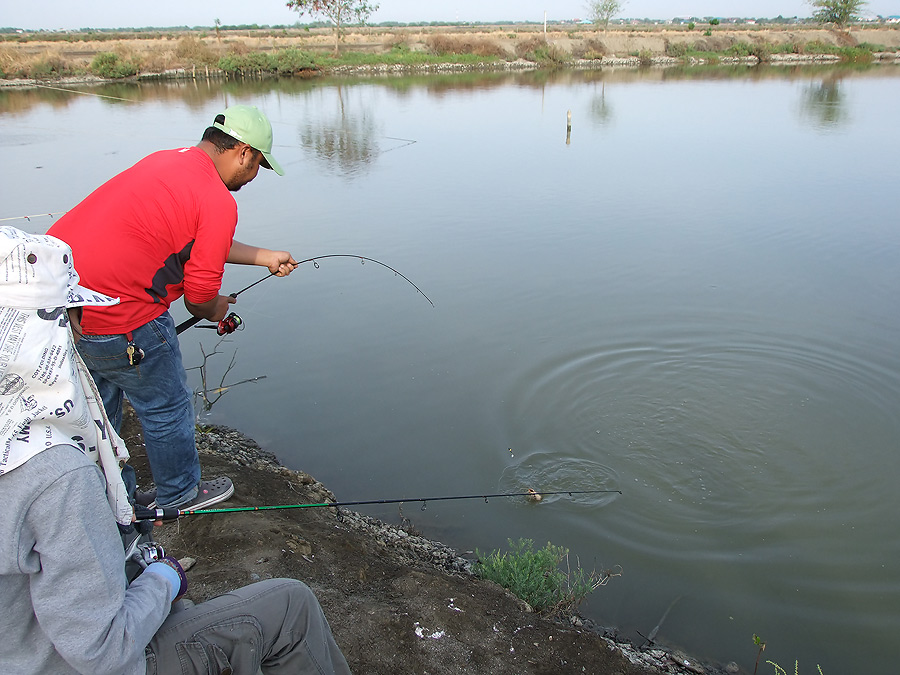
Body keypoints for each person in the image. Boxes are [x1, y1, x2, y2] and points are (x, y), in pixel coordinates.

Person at [0, 227, 351, 675]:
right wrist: (165, 578)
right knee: (291, 605)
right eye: (73, 315)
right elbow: (102, 651)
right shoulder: (57, 474)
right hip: (74, 663)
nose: (83, 326)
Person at [48, 104, 298, 510]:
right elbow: (199, 299)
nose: (254, 177)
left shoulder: (167, 162)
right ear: (244, 152)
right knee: (165, 407)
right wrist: (216, 308)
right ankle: (180, 493)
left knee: (99, 412)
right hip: (123, 317)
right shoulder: (218, 199)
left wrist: (266, 256)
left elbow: (195, 237)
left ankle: (110, 498)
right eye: (258, 167)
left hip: (61, 301)